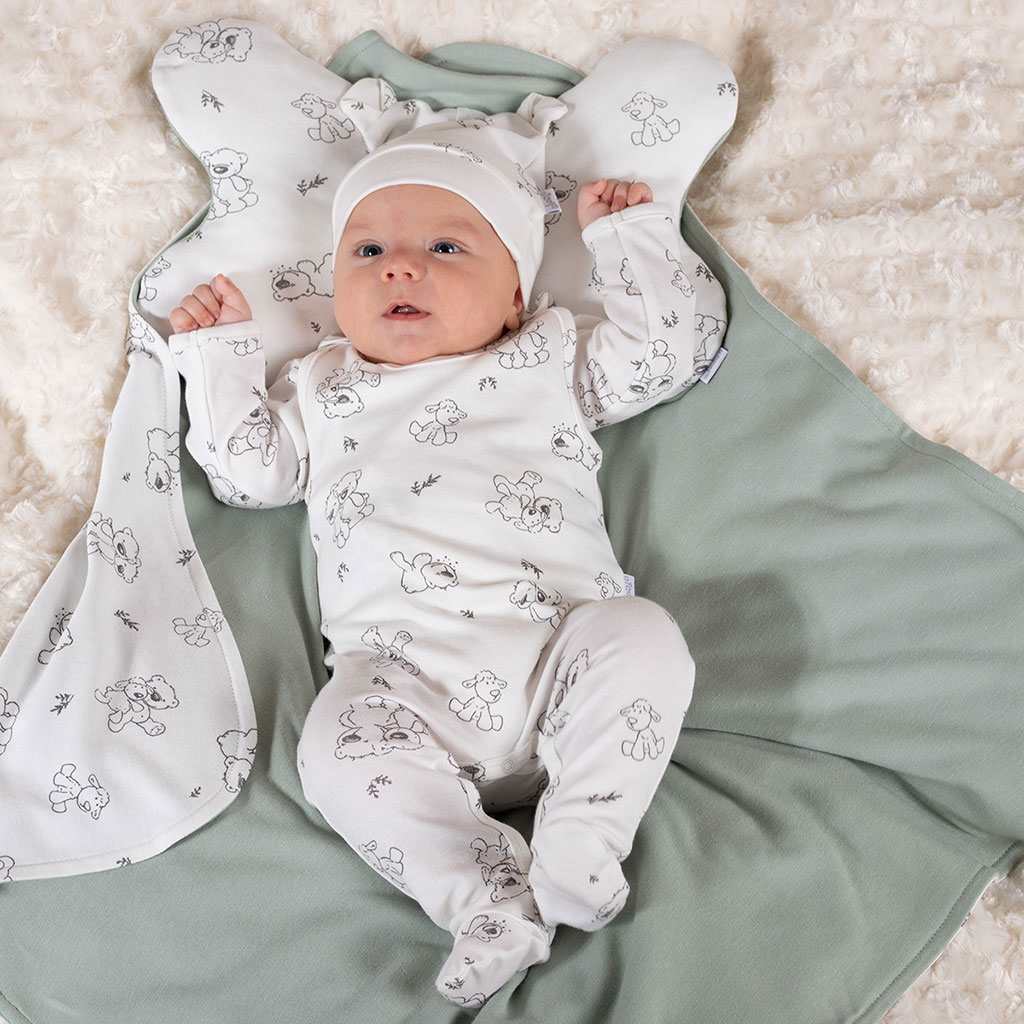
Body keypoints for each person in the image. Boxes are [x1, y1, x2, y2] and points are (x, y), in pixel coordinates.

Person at [166, 112, 704, 1010]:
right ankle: (485, 899)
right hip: (404, 693)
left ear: (516, 298)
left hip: (561, 661)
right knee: (333, 748)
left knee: (643, 636)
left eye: (446, 247)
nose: (399, 267)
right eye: (368, 250)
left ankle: (582, 835)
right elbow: (248, 476)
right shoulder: (322, 387)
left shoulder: (548, 356)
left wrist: (629, 240)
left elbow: (664, 352)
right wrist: (219, 359)